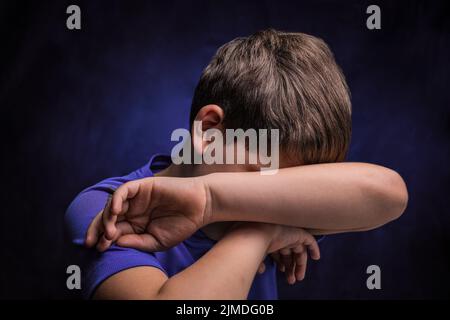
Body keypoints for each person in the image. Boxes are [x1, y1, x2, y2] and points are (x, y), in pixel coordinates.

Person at [65, 29, 408, 299]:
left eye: (286, 192)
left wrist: (210, 197)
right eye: (263, 179)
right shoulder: (109, 209)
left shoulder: (277, 209)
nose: (271, 205)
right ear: (210, 133)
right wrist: (261, 232)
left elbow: (389, 194)